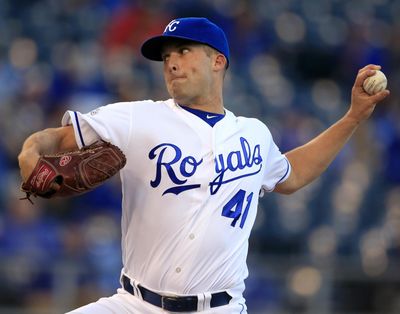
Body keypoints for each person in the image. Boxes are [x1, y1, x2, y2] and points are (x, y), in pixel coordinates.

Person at [18, 17, 389, 313]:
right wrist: (30, 152)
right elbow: (54, 139)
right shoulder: (136, 118)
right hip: (132, 304)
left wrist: (352, 117)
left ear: (218, 60)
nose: (172, 63)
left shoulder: (253, 134)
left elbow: (292, 175)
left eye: (182, 51)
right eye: (166, 57)